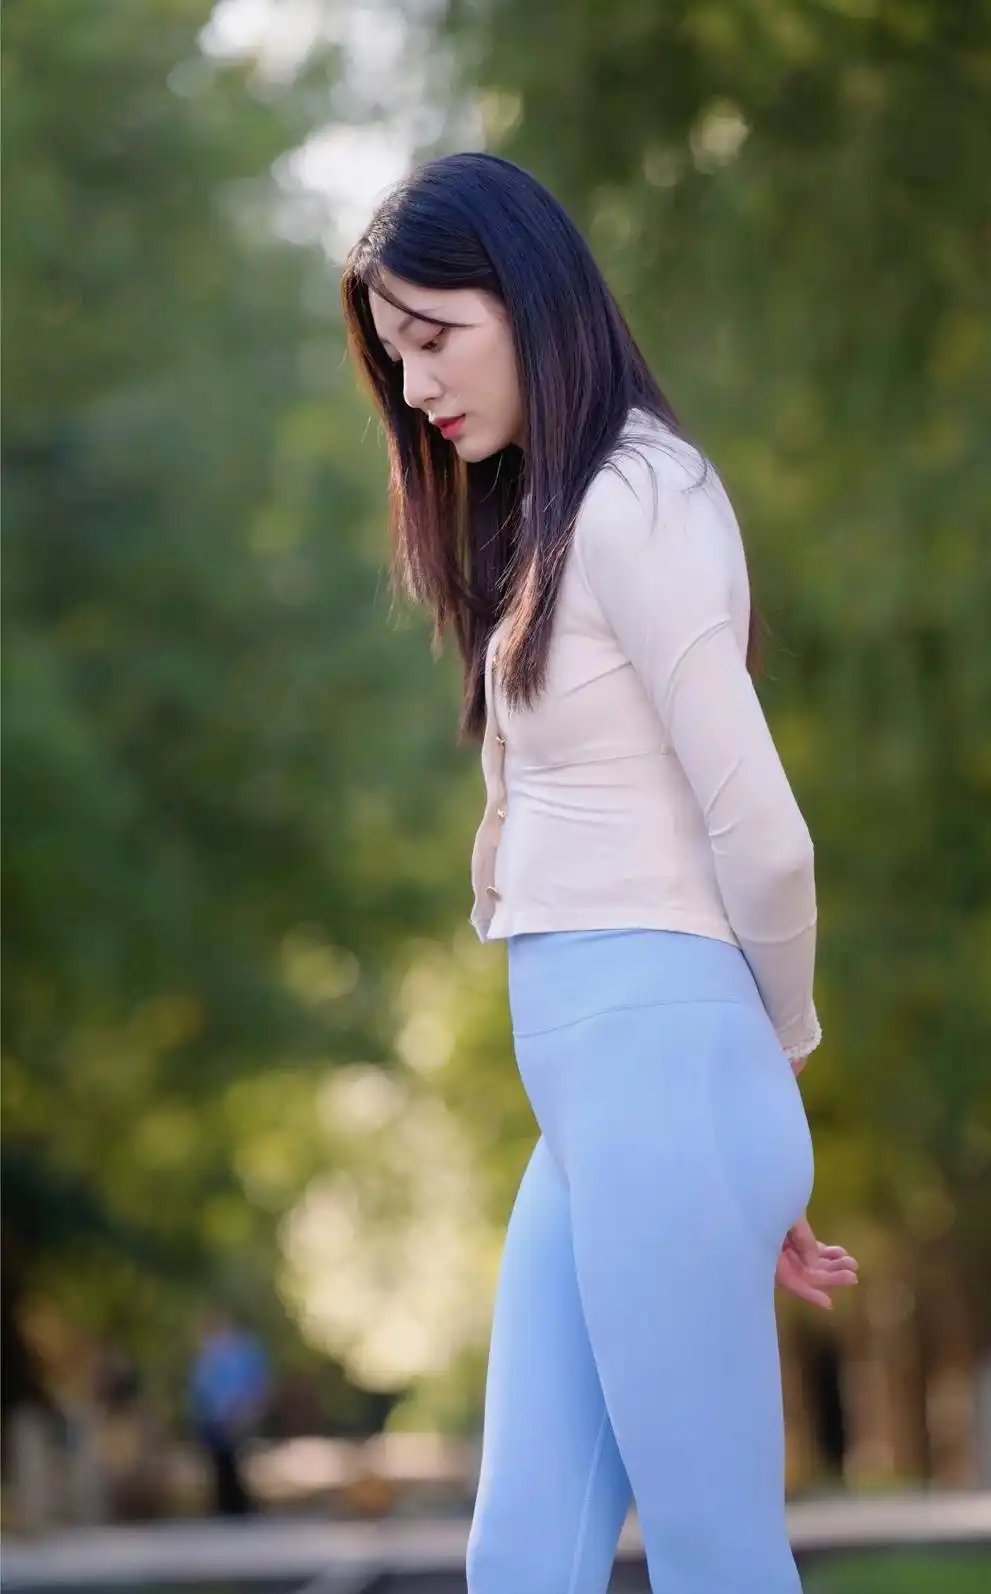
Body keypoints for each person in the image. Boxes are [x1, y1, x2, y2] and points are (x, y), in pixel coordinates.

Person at [342, 151, 859, 1593]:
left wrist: (766, 1067)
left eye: (435, 337)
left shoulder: (642, 495)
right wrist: (714, 1117)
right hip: (610, 1106)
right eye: (394, 359)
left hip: (664, 1073)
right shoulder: (559, 517)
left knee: (714, 1554)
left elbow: (767, 835)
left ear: (528, 294)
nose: (417, 387)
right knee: (522, 1554)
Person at [187, 1308, 270, 1517]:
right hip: (213, 1418)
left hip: (237, 1414)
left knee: (237, 1459)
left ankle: (239, 1505)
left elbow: (255, 1382)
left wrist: (249, 1407)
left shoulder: (243, 1351)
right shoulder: (208, 1354)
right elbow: (200, 1387)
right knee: (218, 1461)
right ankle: (224, 1505)